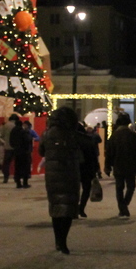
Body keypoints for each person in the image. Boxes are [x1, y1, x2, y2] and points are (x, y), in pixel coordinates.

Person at [41, 107, 81, 253]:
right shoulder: (72, 134)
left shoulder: (47, 134)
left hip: (52, 176)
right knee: (68, 208)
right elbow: (84, 147)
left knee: (56, 207)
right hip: (69, 174)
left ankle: (58, 240)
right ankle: (63, 241)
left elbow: (41, 151)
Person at [105, 112, 136, 218]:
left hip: (118, 164)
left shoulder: (114, 136)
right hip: (130, 165)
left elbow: (109, 152)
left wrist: (107, 166)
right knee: (131, 186)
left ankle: (122, 207)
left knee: (119, 187)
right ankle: (124, 205)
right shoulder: (133, 135)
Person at [76, 123, 101, 218]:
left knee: (74, 190)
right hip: (87, 168)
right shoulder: (87, 140)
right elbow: (93, 156)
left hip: (74, 168)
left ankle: (74, 209)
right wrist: (96, 169)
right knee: (86, 189)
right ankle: (81, 208)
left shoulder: (70, 140)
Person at [10, 118, 34, 188]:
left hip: (16, 152)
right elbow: (27, 140)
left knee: (17, 168)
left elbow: (11, 142)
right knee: (25, 167)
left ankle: (18, 183)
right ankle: (25, 183)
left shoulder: (13, 131)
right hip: (24, 152)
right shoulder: (23, 131)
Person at [0, 114, 16, 182]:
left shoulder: (5, 125)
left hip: (7, 147)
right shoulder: (17, 125)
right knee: (18, 163)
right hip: (16, 147)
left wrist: (4, 142)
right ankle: (17, 177)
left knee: (6, 163)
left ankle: (6, 177)